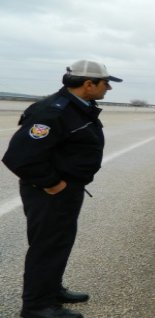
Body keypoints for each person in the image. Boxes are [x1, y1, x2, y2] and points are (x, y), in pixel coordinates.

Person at [2, 60, 123, 318]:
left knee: (59, 243)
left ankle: (51, 290)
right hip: (49, 192)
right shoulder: (52, 112)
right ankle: (36, 307)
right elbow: (20, 157)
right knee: (47, 246)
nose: (109, 88)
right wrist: (53, 184)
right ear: (88, 84)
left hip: (67, 190)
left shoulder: (79, 108)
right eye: (105, 83)